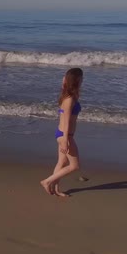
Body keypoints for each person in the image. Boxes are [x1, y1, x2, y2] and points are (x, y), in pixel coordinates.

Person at [41, 68, 83, 197]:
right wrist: (66, 140)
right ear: (77, 80)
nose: (82, 80)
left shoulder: (67, 94)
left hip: (61, 134)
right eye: (81, 78)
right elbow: (66, 121)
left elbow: (64, 81)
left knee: (62, 163)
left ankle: (57, 189)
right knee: (74, 166)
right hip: (65, 135)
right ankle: (47, 181)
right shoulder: (69, 99)